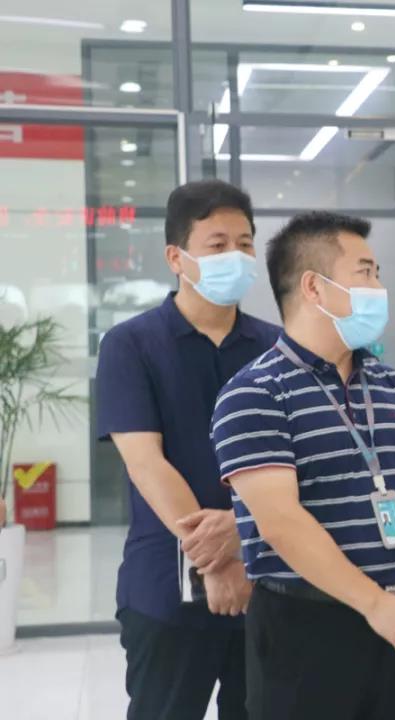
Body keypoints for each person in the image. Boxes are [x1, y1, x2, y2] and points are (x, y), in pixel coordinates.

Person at [210, 211, 395, 720]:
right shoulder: (254, 393)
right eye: (365, 272)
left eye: (378, 273)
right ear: (314, 288)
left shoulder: (393, 386)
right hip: (305, 628)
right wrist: (373, 604)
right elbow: (281, 522)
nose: (379, 287)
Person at [96, 180, 279, 720]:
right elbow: (146, 463)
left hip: (269, 582)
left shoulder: (278, 348)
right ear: (176, 257)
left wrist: (242, 535)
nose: (236, 256)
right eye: (217, 245)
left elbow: (295, 464)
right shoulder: (131, 344)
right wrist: (214, 564)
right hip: (165, 590)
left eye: (245, 244)